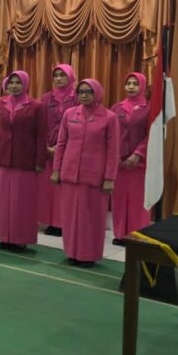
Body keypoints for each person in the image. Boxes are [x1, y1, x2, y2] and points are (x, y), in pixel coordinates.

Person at [52, 79, 119, 266]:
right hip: (69, 174)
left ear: (97, 93)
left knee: (91, 218)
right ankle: (72, 252)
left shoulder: (109, 117)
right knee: (70, 217)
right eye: (81, 91)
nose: (84, 95)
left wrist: (109, 178)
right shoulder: (69, 114)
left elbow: (113, 150)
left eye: (88, 92)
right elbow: (61, 144)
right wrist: (56, 169)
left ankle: (88, 255)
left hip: (94, 177)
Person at [0, 71, 47, 252]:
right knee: (3, 200)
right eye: (11, 82)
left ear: (26, 84)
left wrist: (40, 161)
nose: (14, 86)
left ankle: (20, 238)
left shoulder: (36, 106)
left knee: (22, 201)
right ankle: (4, 236)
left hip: (25, 160)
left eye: (18, 82)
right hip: (2, 158)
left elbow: (41, 135)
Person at [110, 72, 151, 245]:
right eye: (128, 83)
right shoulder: (116, 108)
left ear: (143, 86)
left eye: (135, 83)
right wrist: (115, 155)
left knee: (137, 201)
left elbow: (152, 135)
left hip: (138, 164)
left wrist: (138, 154)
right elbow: (110, 134)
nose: (131, 87)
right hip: (119, 163)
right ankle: (120, 234)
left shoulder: (149, 108)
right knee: (119, 200)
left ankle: (137, 236)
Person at [39, 64, 77, 237]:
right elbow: (40, 123)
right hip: (48, 149)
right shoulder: (46, 98)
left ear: (71, 77)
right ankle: (50, 221)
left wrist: (62, 147)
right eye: (56, 75)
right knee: (48, 188)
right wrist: (46, 146)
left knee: (64, 188)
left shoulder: (77, 97)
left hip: (70, 148)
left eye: (63, 75)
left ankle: (63, 222)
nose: (59, 78)